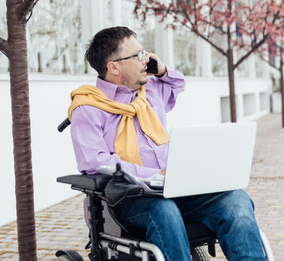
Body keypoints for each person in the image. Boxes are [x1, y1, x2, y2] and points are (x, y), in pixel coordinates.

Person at [68, 26, 266, 260]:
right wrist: (153, 174)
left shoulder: (150, 92)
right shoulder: (88, 108)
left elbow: (178, 83)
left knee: (237, 199)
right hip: (128, 200)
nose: (146, 60)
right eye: (138, 55)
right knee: (164, 211)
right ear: (114, 67)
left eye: (145, 53)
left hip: (177, 188)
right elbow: (94, 162)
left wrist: (160, 69)